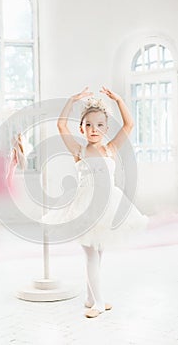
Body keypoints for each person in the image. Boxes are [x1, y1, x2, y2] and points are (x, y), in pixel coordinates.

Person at [53, 86, 150, 318]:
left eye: (99, 125)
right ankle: (98, 302)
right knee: (90, 255)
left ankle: (89, 297)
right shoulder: (78, 150)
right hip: (85, 207)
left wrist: (117, 99)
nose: (93, 129)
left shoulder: (110, 148)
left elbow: (129, 125)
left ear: (106, 128)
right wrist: (71, 99)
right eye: (88, 125)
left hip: (107, 206)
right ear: (81, 128)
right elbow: (60, 125)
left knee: (99, 251)